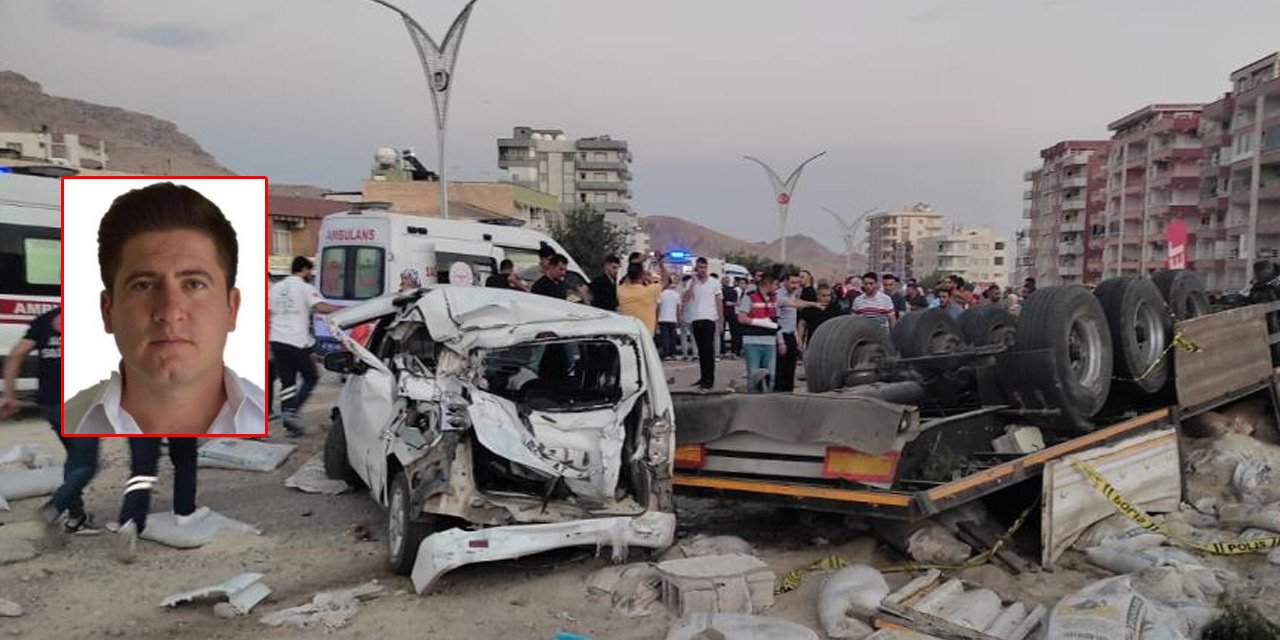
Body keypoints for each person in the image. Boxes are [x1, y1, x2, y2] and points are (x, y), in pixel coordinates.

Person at [60, 182, 267, 562]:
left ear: (232, 308)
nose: (170, 311)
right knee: (176, 461)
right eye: (143, 285)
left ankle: (135, 520)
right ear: (108, 311)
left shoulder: (249, 407)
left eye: (194, 284)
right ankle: (177, 513)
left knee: (146, 467)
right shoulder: (83, 410)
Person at [1, 306, 102, 537]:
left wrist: (9, 395)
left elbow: (16, 354)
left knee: (75, 459)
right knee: (87, 464)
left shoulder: (46, 319)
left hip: (50, 403)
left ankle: (76, 518)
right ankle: (54, 508)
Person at [268, 256, 340, 437]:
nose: (311, 274)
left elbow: (267, 312)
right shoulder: (305, 287)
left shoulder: (275, 289)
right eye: (310, 271)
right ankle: (292, 411)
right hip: (297, 342)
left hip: (277, 341)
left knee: (287, 383)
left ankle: (289, 423)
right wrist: (342, 309)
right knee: (311, 377)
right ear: (304, 270)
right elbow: (321, 307)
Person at [774, 271, 824, 392]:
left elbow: (793, 318)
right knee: (780, 369)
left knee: (790, 369)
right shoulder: (778, 295)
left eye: (797, 283)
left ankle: (788, 394)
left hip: (791, 334)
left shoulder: (793, 294)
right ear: (785, 281)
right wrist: (814, 304)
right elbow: (794, 305)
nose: (795, 285)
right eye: (792, 282)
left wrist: (797, 337)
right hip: (780, 335)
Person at [736, 272, 782, 393]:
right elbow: (741, 318)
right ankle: (752, 402)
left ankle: (766, 403)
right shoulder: (750, 297)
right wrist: (762, 322)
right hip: (752, 342)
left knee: (771, 377)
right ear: (767, 284)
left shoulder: (774, 299)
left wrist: (780, 341)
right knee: (753, 377)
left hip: (770, 342)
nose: (777, 287)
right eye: (775, 284)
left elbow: (777, 320)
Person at [682, 257, 723, 391]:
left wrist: (720, 319)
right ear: (696, 268)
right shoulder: (691, 282)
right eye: (700, 267)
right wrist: (693, 283)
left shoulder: (714, 283)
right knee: (701, 351)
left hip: (709, 318)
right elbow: (686, 298)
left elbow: (718, 301)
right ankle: (703, 376)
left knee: (708, 350)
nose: (702, 270)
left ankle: (709, 379)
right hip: (696, 318)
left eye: (704, 267)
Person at [617, 262, 663, 334]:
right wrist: (661, 262)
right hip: (646, 332)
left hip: (628, 330)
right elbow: (666, 280)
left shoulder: (621, 290)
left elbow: (624, 281)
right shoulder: (650, 290)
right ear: (642, 276)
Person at [657, 276, 682, 359]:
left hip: (662, 318)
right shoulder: (676, 294)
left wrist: (656, 319)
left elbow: (658, 307)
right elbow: (678, 308)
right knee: (672, 337)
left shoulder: (660, 294)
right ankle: (673, 353)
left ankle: (666, 353)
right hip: (673, 319)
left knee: (665, 337)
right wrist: (678, 319)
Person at [721, 276, 740, 358]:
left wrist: (728, 303)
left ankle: (724, 351)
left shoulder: (722, 290)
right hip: (730, 312)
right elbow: (734, 302)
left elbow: (724, 302)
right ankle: (733, 351)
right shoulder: (733, 291)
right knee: (733, 332)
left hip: (725, 312)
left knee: (724, 332)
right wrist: (731, 303)